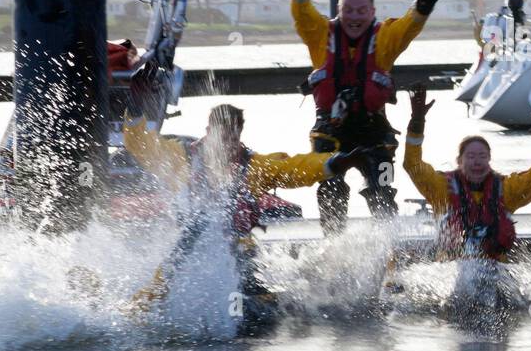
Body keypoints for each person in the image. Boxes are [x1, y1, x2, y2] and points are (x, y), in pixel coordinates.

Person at [122, 98, 368, 315]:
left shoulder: (255, 167)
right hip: (185, 257)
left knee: (253, 312)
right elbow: (143, 146)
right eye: (222, 137)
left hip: (239, 262)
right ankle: (144, 310)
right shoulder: (181, 158)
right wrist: (134, 110)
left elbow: (295, 169)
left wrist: (336, 163)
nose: (228, 146)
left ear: (240, 135)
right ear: (208, 131)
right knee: (197, 227)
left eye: (233, 138)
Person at [290, 0, 455, 231]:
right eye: (348, 10)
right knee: (330, 188)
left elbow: (409, 27)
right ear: (339, 10)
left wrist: (424, 4)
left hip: (374, 131)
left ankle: (388, 247)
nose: (354, 17)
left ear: (372, 13)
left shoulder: (385, 39)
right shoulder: (320, 34)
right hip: (330, 129)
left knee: (383, 189)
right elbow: (302, 15)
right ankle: (333, 245)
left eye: (361, 11)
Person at [401, 87, 531, 261]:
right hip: (451, 270)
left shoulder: (507, 189)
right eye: (470, 156)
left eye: (482, 156)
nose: (477, 162)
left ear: (489, 159)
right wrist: (416, 123)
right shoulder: (440, 188)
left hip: (496, 268)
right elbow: (412, 164)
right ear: (459, 161)